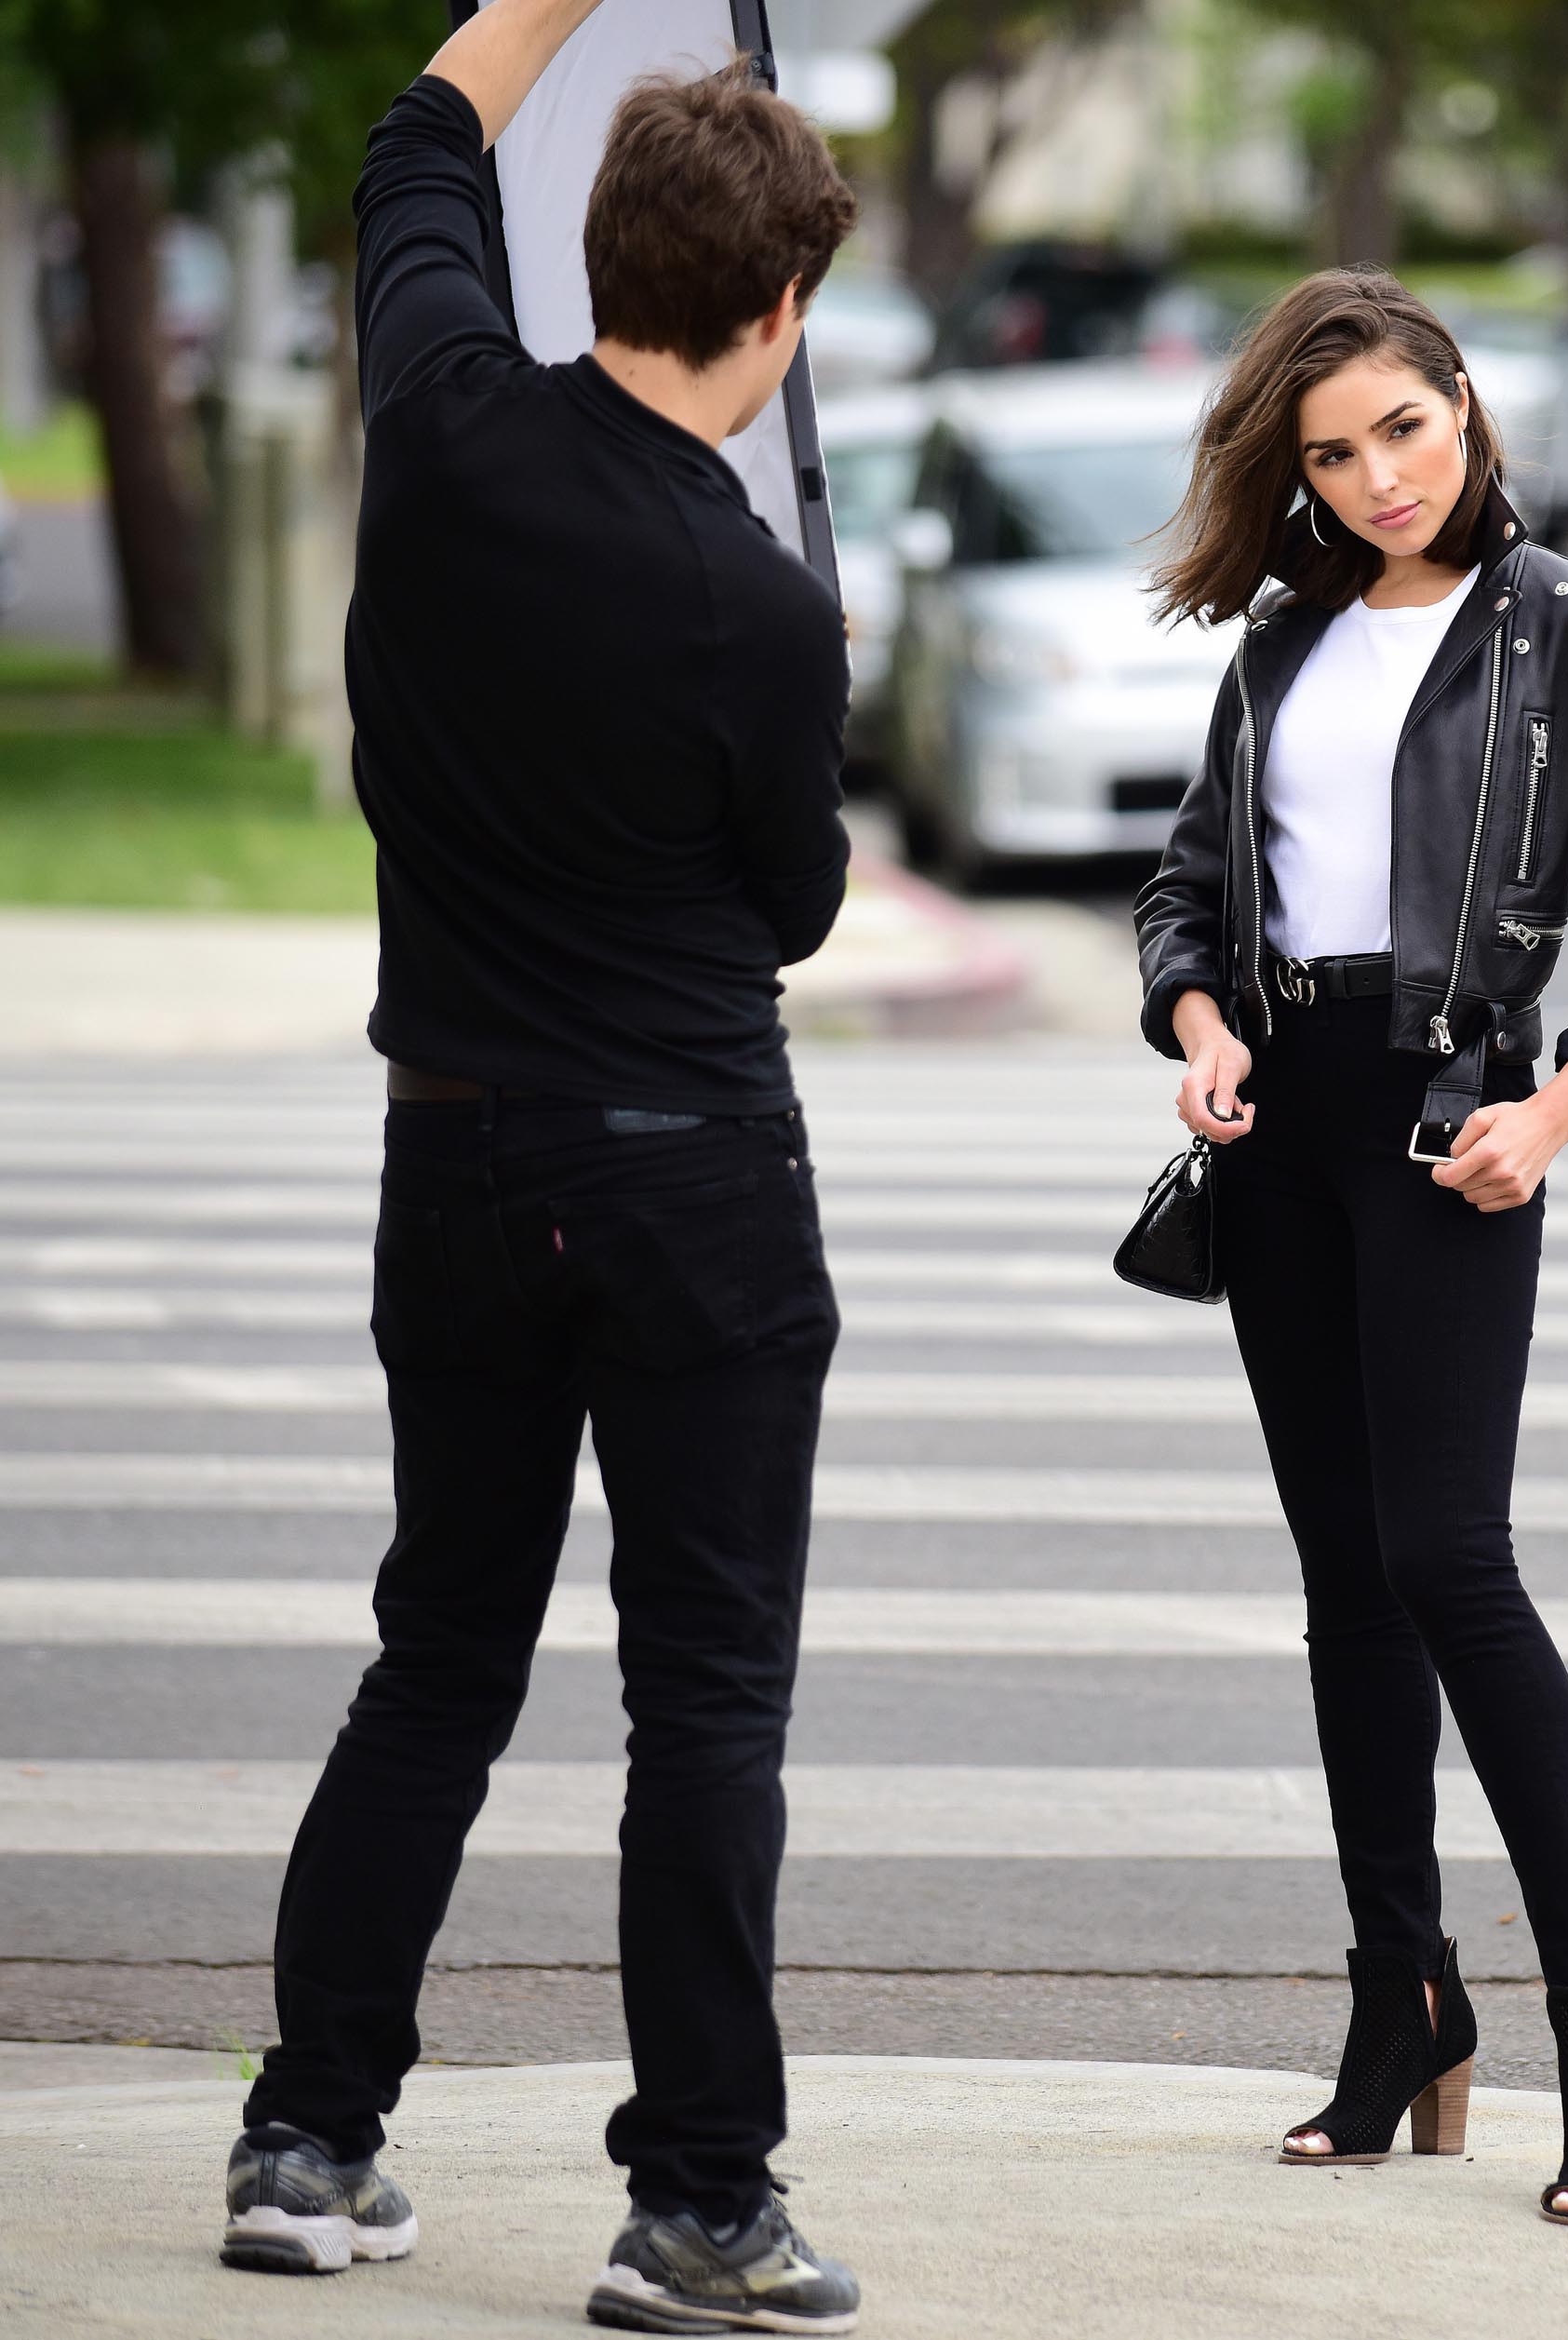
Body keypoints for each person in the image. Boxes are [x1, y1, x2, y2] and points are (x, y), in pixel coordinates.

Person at [217, 7, 864, 2332]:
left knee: (439, 1651)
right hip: (694, 1175)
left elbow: (417, 133)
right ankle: (698, 2198)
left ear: (589, 249)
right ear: (784, 316)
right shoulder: (768, 614)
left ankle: (308, 2135)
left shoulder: (448, 421)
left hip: (457, 1157)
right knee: (702, 1702)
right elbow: (791, 906)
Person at [1136, 268, 1568, 2226]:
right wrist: (1205, 1030)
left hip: (1451, 1120)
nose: (1379, 475)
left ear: (1462, 405)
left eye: (1403, 426)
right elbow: (1189, 887)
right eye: (1332, 453)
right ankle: (1404, 2002)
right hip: (1281, 1127)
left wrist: (1561, 1111)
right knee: (1343, 1585)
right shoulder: (1283, 641)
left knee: (1448, 1559)